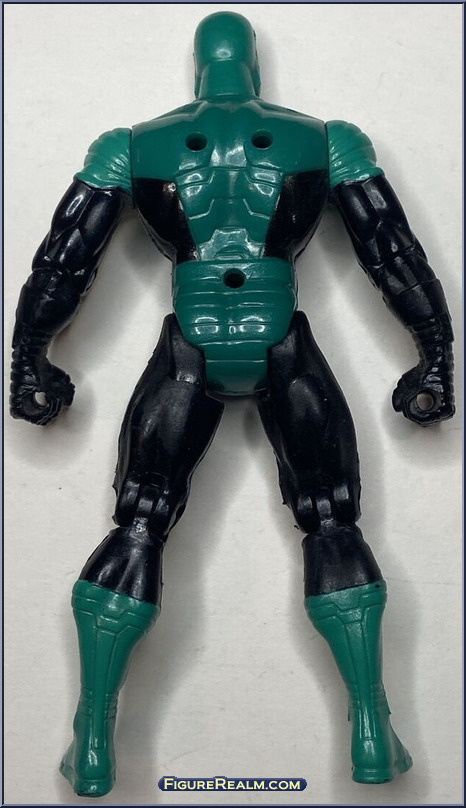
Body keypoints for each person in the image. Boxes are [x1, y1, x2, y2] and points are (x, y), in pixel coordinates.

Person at [10, 11, 454, 797]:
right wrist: (434, 351)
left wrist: (29, 357)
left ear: (197, 66)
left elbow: (65, 261)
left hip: (191, 344)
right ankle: (372, 729)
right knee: (333, 522)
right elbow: (390, 249)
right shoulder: (327, 139)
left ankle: (92, 732)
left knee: (139, 523)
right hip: (282, 342)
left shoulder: (131, 145)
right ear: (252, 64)